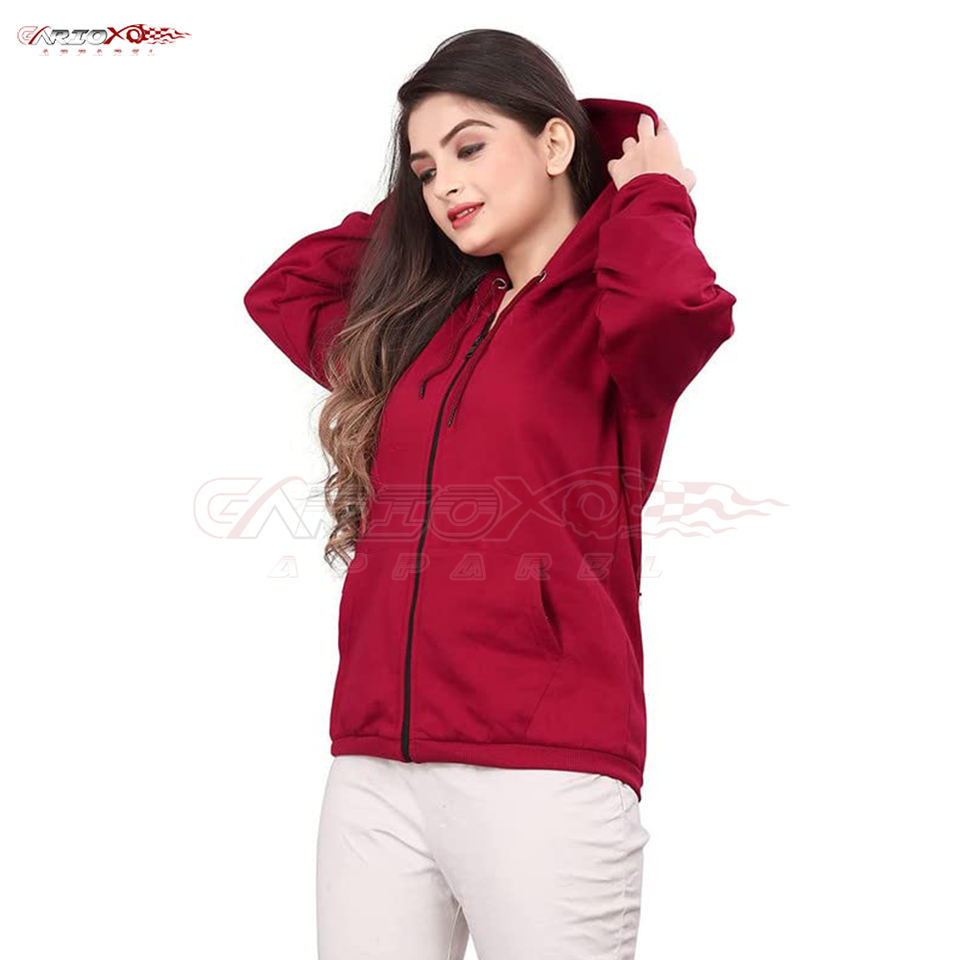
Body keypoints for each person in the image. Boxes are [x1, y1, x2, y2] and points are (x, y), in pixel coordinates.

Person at [243, 27, 735, 960]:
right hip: (375, 767)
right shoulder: (426, 327)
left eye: (470, 148)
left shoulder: (613, 314)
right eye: (425, 169)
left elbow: (678, 306)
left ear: (554, 144)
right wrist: (415, 214)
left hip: (543, 770)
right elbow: (284, 289)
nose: (445, 186)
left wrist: (652, 193)